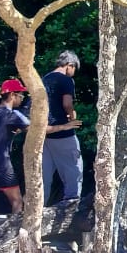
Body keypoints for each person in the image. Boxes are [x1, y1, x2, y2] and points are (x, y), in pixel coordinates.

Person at [0, 80, 81, 248]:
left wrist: (16, 130)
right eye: (20, 95)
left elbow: (2, 132)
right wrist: (65, 126)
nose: (22, 98)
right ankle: (11, 243)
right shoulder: (13, 115)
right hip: (2, 164)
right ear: (12, 95)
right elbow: (40, 129)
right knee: (17, 202)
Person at [41, 51, 83, 203]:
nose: (73, 73)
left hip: (44, 132)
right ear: (69, 65)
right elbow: (67, 103)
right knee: (73, 168)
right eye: (74, 69)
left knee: (43, 176)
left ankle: (38, 207)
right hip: (62, 132)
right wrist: (72, 117)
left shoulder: (44, 79)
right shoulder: (66, 80)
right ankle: (71, 204)